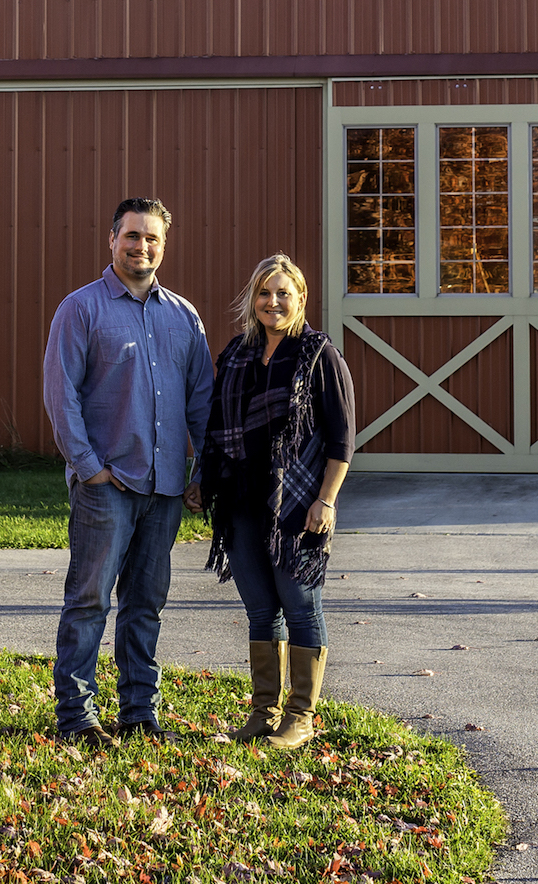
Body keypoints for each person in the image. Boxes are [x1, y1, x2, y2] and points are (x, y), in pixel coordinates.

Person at [42, 196, 215, 743]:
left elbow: (202, 402)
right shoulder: (81, 308)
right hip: (107, 487)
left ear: (165, 245)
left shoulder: (183, 316)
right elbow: (59, 393)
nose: (142, 246)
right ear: (111, 240)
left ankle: (139, 712)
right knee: (90, 601)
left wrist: (202, 471)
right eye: (132, 236)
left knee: (146, 604)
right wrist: (88, 468)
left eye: (152, 238)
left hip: (164, 489)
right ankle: (77, 716)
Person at [188, 253, 352, 751]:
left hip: (297, 502)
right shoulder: (236, 352)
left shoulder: (318, 352)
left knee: (300, 605)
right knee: (261, 609)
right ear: (252, 299)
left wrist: (326, 500)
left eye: (284, 293)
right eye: (264, 292)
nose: (273, 301)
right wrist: (202, 477)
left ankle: (300, 717)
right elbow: (216, 426)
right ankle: (265, 711)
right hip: (239, 499)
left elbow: (342, 437)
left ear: (300, 298)